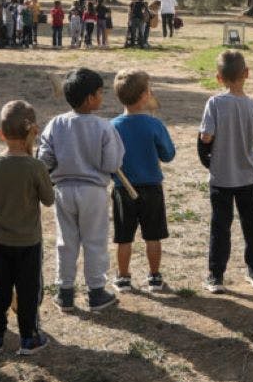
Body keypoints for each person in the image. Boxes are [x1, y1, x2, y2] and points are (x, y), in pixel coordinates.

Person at [37, 68, 124, 312]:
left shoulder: (56, 123)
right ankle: (96, 292)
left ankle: (65, 293)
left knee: (66, 242)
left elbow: (44, 159)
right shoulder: (104, 127)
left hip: (63, 191)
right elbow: (112, 164)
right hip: (93, 193)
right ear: (89, 98)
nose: (102, 96)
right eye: (100, 93)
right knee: (94, 241)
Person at [0, 100, 55, 355]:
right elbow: (49, 199)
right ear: (34, 131)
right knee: (28, 291)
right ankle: (29, 338)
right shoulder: (36, 166)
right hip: (29, 243)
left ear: (0, 133)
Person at [198, 50, 253, 292]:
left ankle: (216, 275)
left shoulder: (214, 103)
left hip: (222, 176)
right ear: (246, 74)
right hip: (248, 175)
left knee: (220, 226)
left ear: (218, 77)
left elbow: (206, 136)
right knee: (252, 225)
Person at [109, 70, 176, 294]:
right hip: (151, 188)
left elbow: (107, 161)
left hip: (122, 189)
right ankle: (155, 277)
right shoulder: (153, 124)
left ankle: (123, 277)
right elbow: (168, 154)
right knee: (153, 235)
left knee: (124, 238)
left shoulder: (112, 127)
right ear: (145, 95)